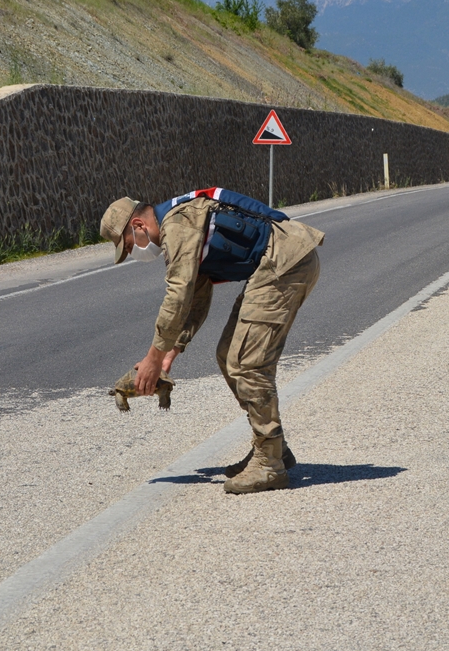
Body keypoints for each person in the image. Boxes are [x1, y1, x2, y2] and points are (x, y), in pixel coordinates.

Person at [100, 188, 324, 494]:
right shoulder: (178, 224)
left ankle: (270, 463)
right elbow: (196, 295)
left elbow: (177, 296)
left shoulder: (177, 227)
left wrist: (153, 358)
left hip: (285, 262)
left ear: (138, 226)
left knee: (247, 362)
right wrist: (169, 353)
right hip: (276, 263)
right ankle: (274, 449)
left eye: (127, 246)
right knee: (227, 355)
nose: (131, 253)